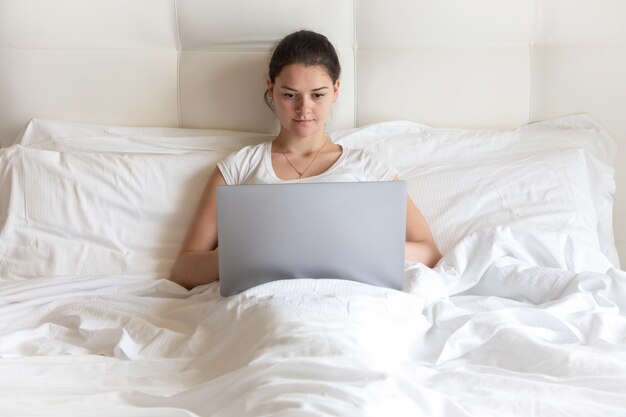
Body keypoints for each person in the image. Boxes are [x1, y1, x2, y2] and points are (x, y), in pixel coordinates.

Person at [170, 30, 441, 289]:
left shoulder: (368, 168)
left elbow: (429, 252)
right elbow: (184, 269)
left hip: (351, 302)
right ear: (271, 88)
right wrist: (252, 255)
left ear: (335, 90)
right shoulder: (238, 168)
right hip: (262, 305)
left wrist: (356, 250)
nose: (304, 109)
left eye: (318, 95)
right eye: (290, 95)